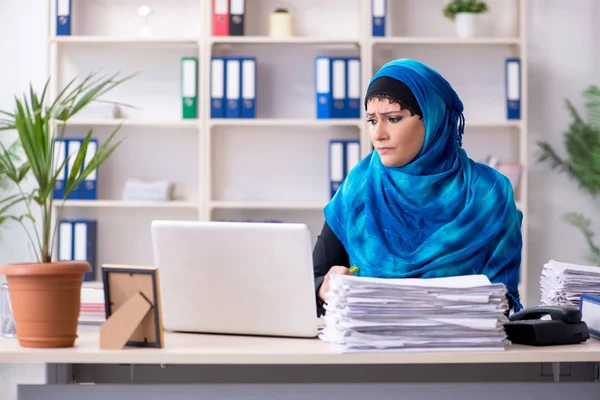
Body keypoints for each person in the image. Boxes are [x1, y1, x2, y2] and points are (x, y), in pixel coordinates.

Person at [312, 58, 523, 316]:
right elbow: (316, 279)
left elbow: (504, 301)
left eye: (393, 118)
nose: (378, 134)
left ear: (433, 118)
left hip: (463, 351)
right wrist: (324, 287)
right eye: (371, 120)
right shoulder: (358, 187)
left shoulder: (490, 194)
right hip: (369, 351)